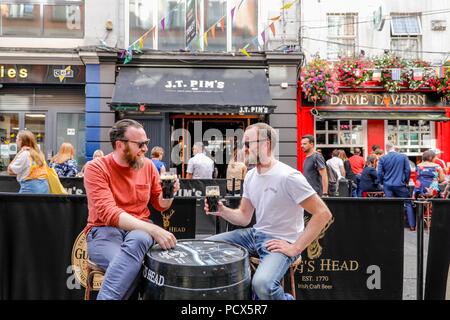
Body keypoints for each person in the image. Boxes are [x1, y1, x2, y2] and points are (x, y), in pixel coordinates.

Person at [206, 123, 332, 300]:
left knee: (263, 285)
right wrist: (222, 210)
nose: (244, 149)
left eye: (248, 144)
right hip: (255, 234)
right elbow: (244, 217)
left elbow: (323, 213)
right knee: (205, 247)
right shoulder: (250, 176)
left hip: (281, 239)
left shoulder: (288, 176)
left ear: (265, 144)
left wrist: (295, 247)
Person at [83, 119, 180, 300]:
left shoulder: (149, 165)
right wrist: (153, 229)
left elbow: (161, 205)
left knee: (139, 241)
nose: (145, 149)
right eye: (140, 144)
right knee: (130, 266)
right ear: (120, 145)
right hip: (104, 231)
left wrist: (170, 193)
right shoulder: (96, 167)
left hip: (138, 232)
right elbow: (108, 213)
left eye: (146, 143)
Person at [378, 142, 415, 231]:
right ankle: (412, 225)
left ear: (386, 149)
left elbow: (379, 173)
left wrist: (382, 182)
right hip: (400, 184)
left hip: (388, 185)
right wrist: (406, 181)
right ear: (394, 147)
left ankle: (389, 225)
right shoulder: (403, 157)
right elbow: (407, 170)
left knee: (389, 205)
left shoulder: (383, 158)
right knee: (408, 203)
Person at [7, 130, 49, 194]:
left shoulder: (25, 154)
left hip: (30, 188)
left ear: (21, 141)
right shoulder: (39, 153)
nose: (16, 141)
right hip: (44, 187)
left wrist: (18, 154)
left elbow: (9, 170)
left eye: (17, 138)